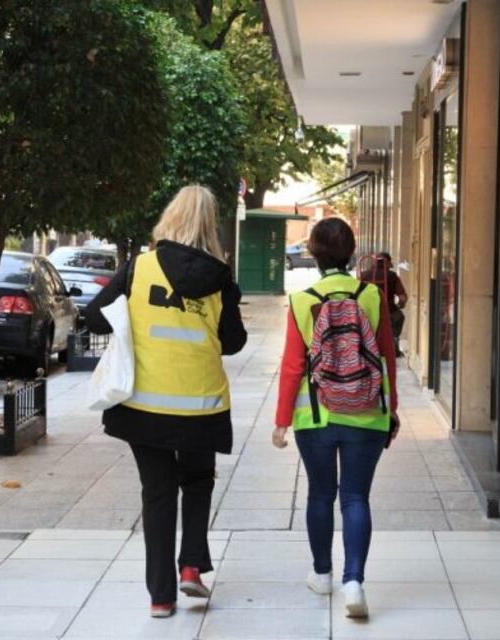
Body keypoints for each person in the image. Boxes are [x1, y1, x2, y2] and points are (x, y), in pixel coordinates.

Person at [85, 185, 247, 619]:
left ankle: (160, 597)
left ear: (169, 218)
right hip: (201, 405)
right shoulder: (220, 278)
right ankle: (192, 564)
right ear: (210, 226)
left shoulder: (139, 268)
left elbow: (94, 315)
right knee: (197, 481)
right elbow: (233, 342)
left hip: (144, 407)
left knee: (157, 493)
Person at [271, 217, 399, 619]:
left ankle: (322, 573)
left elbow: (293, 365)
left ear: (313, 252)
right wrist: (390, 410)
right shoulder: (372, 296)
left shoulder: (302, 299)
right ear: (351, 251)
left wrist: (281, 420)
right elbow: (386, 358)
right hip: (365, 414)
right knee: (356, 497)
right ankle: (354, 582)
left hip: (317, 416)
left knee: (321, 495)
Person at [378, 252, 407, 357]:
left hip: (367, 311)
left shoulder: (364, 274)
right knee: (400, 317)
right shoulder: (392, 276)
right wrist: (401, 305)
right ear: (388, 262)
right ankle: (394, 341)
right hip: (388, 310)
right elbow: (402, 297)